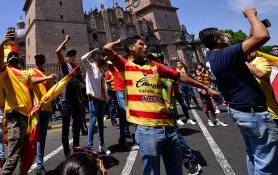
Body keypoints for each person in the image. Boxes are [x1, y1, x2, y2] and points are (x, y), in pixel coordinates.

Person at [103, 35, 220, 175]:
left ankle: (190, 161)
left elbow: (179, 76)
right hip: (147, 129)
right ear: (131, 48)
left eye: (145, 44)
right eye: (141, 44)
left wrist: (205, 87)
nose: (146, 47)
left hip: (169, 127)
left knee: (176, 171)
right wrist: (117, 43)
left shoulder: (155, 65)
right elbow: (106, 48)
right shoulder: (124, 65)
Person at [199, 8, 278, 175]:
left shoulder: (211, 58)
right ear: (216, 39)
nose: (226, 36)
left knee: (254, 154)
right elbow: (262, 36)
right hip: (253, 113)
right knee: (266, 162)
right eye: (222, 35)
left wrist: (249, 35)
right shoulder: (226, 54)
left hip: (240, 111)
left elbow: (246, 45)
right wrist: (251, 15)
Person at [0, 33, 56, 174]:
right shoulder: (6, 72)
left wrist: (48, 77)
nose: (14, 57)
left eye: (15, 56)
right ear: (8, 61)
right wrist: (1, 44)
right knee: (13, 157)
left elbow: (33, 80)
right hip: (15, 117)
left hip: (27, 118)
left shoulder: (24, 73)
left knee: (24, 155)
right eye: (11, 56)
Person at [56, 35, 84, 157]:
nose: (73, 57)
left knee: (77, 127)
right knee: (65, 129)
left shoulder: (77, 68)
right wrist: (66, 40)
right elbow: (57, 51)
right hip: (66, 101)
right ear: (67, 57)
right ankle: (67, 153)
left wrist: (81, 99)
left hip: (77, 102)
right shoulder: (64, 66)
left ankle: (76, 151)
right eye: (70, 55)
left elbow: (79, 83)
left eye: (74, 55)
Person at [28, 54, 55, 174]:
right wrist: (48, 77)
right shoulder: (32, 71)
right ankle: (29, 162)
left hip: (46, 109)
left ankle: (40, 164)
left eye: (41, 60)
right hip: (35, 109)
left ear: (44, 61)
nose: (39, 62)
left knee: (42, 137)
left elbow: (51, 90)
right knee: (33, 136)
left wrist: (54, 82)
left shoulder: (47, 73)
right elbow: (33, 81)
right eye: (38, 61)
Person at [81, 48, 111, 155]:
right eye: (103, 57)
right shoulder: (91, 67)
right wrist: (91, 53)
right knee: (93, 122)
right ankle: (89, 146)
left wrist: (107, 99)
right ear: (98, 58)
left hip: (102, 100)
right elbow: (83, 59)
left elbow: (103, 86)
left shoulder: (100, 69)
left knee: (101, 122)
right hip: (94, 99)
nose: (104, 59)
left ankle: (102, 145)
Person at [246, 51, 278, 122]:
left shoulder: (260, 60)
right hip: (249, 111)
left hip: (268, 111)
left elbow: (261, 74)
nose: (253, 51)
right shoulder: (236, 63)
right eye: (250, 49)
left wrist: (244, 62)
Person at [105, 61, 118, 127]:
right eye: (110, 64)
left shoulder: (116, 71)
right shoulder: (107, 72)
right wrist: (111, 80)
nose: (111, 65)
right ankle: (113, 121)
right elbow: (105, 81)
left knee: (119, 107)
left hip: (117, 90)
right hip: (111, 92)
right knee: (112, 107)